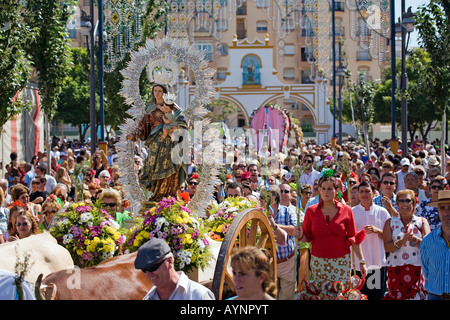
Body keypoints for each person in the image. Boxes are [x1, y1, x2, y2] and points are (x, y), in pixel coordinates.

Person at [300, 175, 367, 288]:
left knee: (340, 295)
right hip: (318, 262)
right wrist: (300, 235)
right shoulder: (311, 211)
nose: (326, 192)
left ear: (336, 191)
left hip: (341, 262)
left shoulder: (347, 210)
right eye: (323, 188)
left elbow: (353, 238)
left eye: (330, 189)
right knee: (322, 295)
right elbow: (306, 237)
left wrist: (362, 261)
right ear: (319, 190)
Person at [128, 84, 188, 202]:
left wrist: (175, 128)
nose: (157, 93)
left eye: (160, 91)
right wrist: (134, 134)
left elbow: (183, 124)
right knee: (155, 167)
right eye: (155, 91)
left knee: (171, 167)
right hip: (156, 142)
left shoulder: (174, 108)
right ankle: (156, 194)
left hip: (171, 143)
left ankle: (171, 195)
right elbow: (143, 125)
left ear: (164, 93)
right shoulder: (150, 109)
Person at [382, 189, 430, 300]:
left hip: (417, 268)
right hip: (396, 268)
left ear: (413, 204)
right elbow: (387, 247)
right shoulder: (390, 222)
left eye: (408, 200)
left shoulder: (422, 221)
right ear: (397, 204)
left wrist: (416, 240)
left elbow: (428, 246)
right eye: (401, 201)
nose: (404, 204)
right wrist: (401, 242)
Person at [134, 238, 215, 300]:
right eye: (144, 270)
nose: (148, 273)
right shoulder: (148, 298)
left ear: (169, 261)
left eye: (153, 267)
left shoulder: (199, 295)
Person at [352, 180, 390, 300]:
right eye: (361, 192)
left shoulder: (382, 213)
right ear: (358, 194)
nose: (364, 195)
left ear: (374, 193)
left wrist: (377, 230)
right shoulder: (352, 212)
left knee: (375, 297)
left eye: (367, 191)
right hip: (357, 265)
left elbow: (389, 238)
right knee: (358, 296)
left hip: (376, 263)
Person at [262, 185, 297, 300]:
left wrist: (273, 226)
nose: (261, 200)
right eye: (261, 197)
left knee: (286, 297)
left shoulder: (288, 211)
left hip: (287, 262)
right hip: (268, 265)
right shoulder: (259, 213)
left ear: (274, 198)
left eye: (265, 197)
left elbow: (295, 230)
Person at [421, 190, 450, 300]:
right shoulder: (427, 241)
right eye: (442, 208)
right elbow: (426, 272)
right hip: (435, 296)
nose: (447, 212)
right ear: (438, 211)